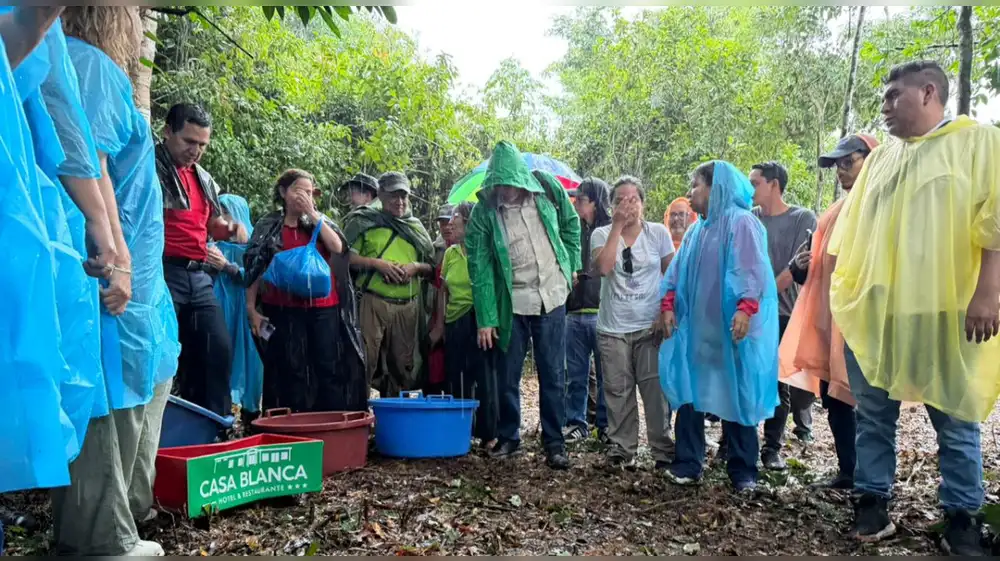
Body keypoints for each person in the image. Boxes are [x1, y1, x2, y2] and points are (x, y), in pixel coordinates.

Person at [829, 61, 1000, 556]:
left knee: (955, 414)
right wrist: (848, 295)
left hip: (948, 309)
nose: (884, 107)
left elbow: (995, 218)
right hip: (882, 309)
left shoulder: (978, 141)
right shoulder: (883, 159)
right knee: (875, 414)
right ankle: (872, 501)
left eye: (893, 96)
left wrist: (987, 292)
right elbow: (854, 230)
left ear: (929, 93)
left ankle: (962, 516)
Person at [52, 7, 184, 555]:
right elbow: (92, 164)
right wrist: (119, 257)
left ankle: (125, 517)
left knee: (145, 386)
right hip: (117, 277)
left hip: (138, 281)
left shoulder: (67, 65)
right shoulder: (91, 68)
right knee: (111, 402)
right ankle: (100, 539)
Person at [658, 160, 779, 492]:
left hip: (732, 333)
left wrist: (745, 307)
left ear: (715, 187)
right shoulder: (698, 229)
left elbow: (751, 270)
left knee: (736, 396)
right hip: (700, 334)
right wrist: (667, 304)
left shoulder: (742, 223)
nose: (689, 193)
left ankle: (743, 472)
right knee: (690, 394)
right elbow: (676, 273)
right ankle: (687, 463)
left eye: (695, 185)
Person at [465, 141, 581, 470]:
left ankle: (554, 441)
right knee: (507, 374)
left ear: (520, 179)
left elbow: (571, 226)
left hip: (552, 294)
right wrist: (486, 318)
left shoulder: (547, 189)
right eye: (499, 184)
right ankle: (509, 437)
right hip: (510, 302)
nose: (505, 190)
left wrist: (570, 263)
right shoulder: (484, 212)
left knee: (553, 373)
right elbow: (480, 266)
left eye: (509, 183)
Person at [778, 134, 879, 490]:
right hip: (830, 321)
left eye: (847, 162)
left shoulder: (881, 205)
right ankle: (849, 471)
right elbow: (815, 271)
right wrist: (801, 266)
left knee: (871, 404)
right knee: (834, 398)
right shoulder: (835, 212)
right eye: (837, 165)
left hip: (866, 322)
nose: (840, 171)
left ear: (871, 158)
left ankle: (873, 481)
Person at [243, 169, 365, 413]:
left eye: (310, 192)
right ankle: (292, 421)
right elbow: (255, 268)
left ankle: (330, 420)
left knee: (328, 365)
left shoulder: (319, 222)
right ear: (283, 192)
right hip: (283, 308)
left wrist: (312, 213)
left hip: (324, 308)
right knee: (290, 367)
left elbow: (338, 247)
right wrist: (251, 309)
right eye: (300, 191)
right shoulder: (269, 227)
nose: (306, 196)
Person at [156, 103, 244, 417]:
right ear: (167, 132)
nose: (195, 150)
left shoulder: (202, 178)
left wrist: (230, 228)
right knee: (162, 355)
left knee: (216, 350)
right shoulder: (149, 168)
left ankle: (214, 428)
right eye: (189, 142)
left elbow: (210, 225)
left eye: (202, 145)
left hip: (199, 275)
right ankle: (164, 432)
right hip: (161, 272)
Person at [592, 176, 675, 469]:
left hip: (649, 326)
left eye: (633, 199)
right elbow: (603, 267)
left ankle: (662, 450)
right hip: (613, 327)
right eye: (620, 200)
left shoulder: (659, 234)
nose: (628, 205)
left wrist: (665, 311)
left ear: (643, 202)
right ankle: (621, 447)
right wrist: (617, 225)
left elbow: (672, 276)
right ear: (611, 205)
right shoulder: (601, 234)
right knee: (618, 390)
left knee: (655, 389)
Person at [748, 161, 818, 469]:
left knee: (778, 383)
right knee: (747, 378)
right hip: (749, 312)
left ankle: (772, 448)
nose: (750, 190)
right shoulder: (750, 219)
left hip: (783, 312)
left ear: (774, 184)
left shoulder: (802, 218)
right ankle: (738, 443)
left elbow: (798, 268)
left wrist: (767, 291)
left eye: (755, 183)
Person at [344, 172, 435, 397]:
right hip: (373, 302)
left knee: (402, 366)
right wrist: (377, 264)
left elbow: (432, 268)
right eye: (394, 195)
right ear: (381, 195)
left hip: (407, 306)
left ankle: (394, 420)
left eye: (404, 196)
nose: (400, 201)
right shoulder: (363, 221)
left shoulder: (415, 228)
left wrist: (414, 267)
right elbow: (345, 258)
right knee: (365, 360)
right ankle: (359, 415)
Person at [434, 202, 498, 445]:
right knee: (457, 377)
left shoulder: (485, 249)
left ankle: (488, 434)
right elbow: (443, 292)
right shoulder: (450, 253)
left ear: (470, 221)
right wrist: (440, 326)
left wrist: (491, 320)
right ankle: (460, 431)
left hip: (482, 319)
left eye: (456, 216)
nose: (450, 223)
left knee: (485, 376)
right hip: (455, 320)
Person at [564, 178, 612, 444]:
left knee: (606, 375)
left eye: (581, 199)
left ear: (594, 201)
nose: (577, 204)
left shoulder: (610, 230)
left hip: (602, 310)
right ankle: (576, 422)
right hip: (574, 310)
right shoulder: (573, 230)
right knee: (576, 374)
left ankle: (604, 425)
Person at [210, 194, 264, 422]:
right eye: (218, 212)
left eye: (226, 212)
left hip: (246, 310)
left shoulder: (254, 245)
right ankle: (220, 415)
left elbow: (257, 279)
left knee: (251, 360)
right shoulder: (211, 243)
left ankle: (251, 412)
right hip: (220, 308)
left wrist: (227, 267)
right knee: (220, 357)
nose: (222, 219)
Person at [426, 203, 455, 394]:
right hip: (434, 311)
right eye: (442, 223)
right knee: (434, 363)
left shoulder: (467, 248)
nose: (445, 227)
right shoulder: (435, 249)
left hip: (456, 313)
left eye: (449, 222)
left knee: (454, 364)